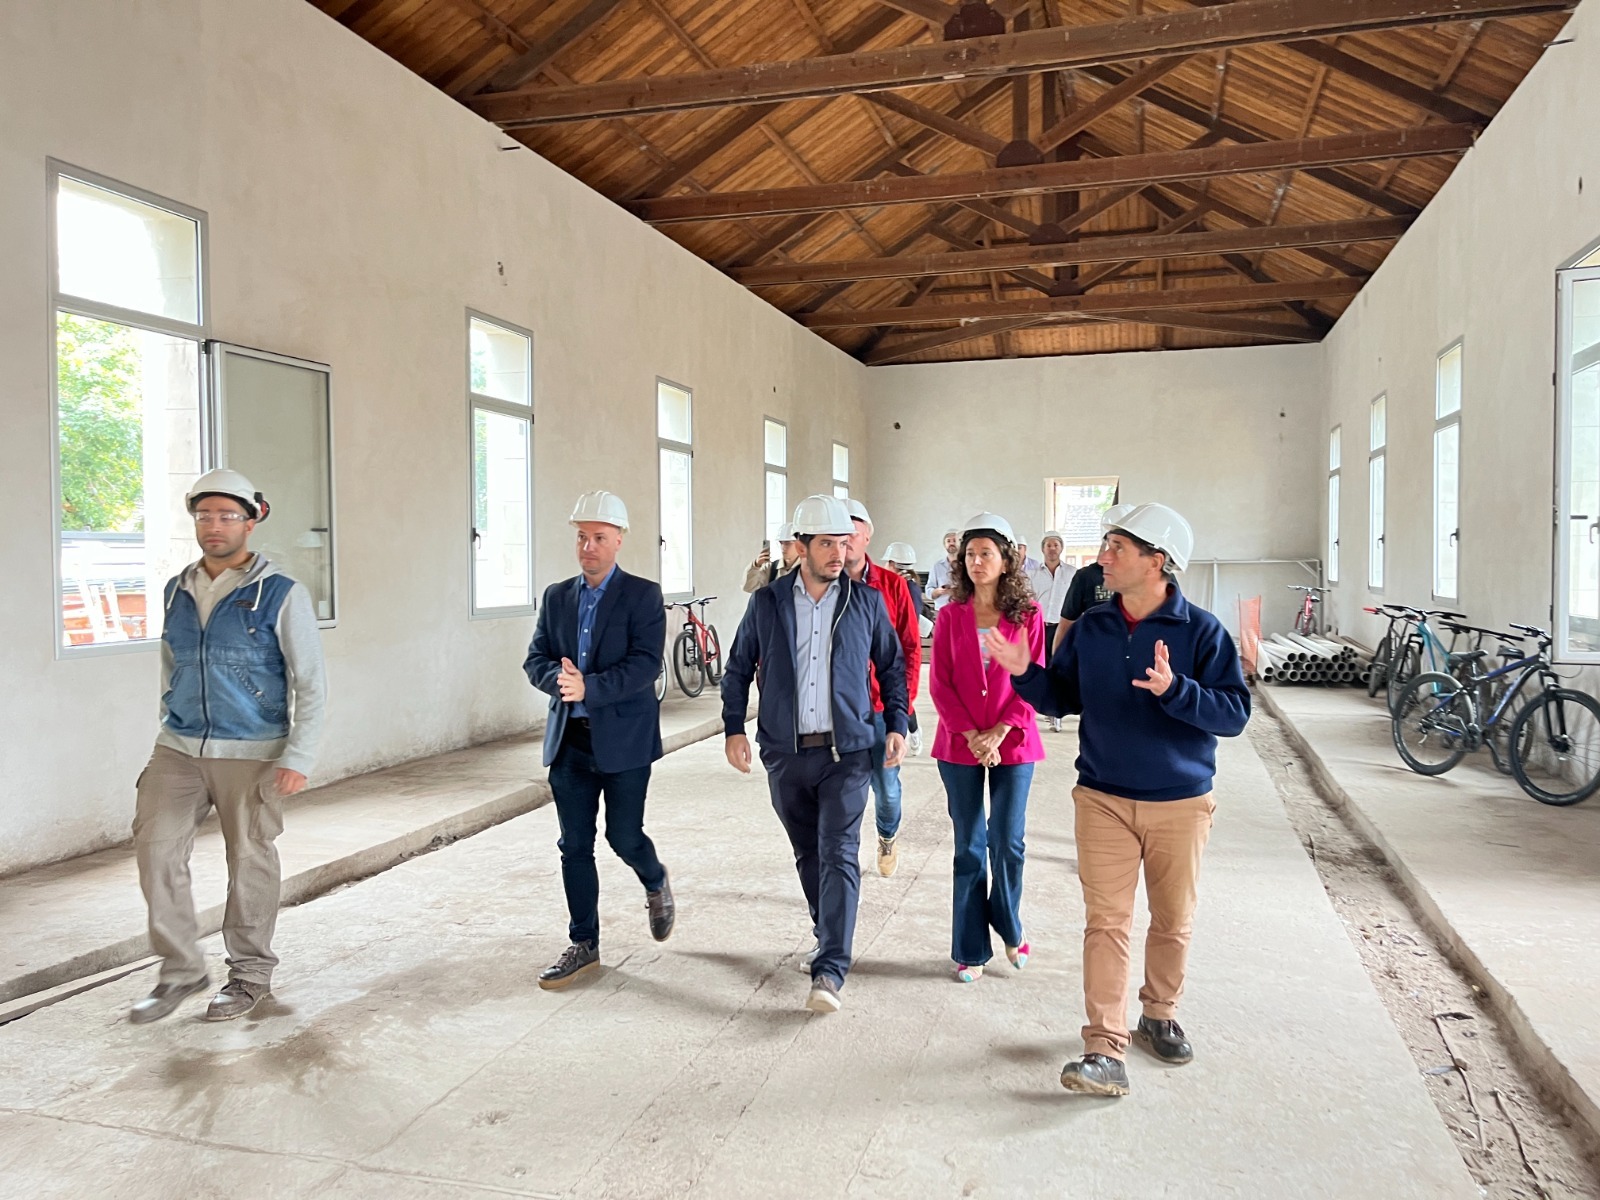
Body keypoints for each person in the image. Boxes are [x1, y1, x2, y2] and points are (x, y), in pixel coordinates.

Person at [987, 503, 1250, 1097]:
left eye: (1117, 548)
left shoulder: (1202, 632)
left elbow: (1234, 714)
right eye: (1104, 545)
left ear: (1158, 562)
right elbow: (1061, 698)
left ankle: (1158, 1014)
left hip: (1180, 801)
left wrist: (1176, 690)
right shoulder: (1094, 628)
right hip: (1102, 795)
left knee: (1173, 920)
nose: (1102, 557)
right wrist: (1026, 672)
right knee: (1106, 923)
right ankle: (1105, 1047)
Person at [129, 469, 327, 1024]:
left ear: (251, 520)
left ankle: (249, 976)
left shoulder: (281, 593)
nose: (213, 526)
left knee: (249, 859)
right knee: (156, 847)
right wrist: (171, 718)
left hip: (254, 747)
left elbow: (310, 679)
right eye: (204, 515)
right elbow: (172, 664)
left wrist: (298, 755)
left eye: (226, 516)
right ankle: (182, 969)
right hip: (179, 746)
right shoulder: (177, 589)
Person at [721, 495, 908, 1014]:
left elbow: (891, 667)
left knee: (840, 853)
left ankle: (830, 969)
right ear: (801, 547)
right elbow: (737, 668)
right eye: (826, 543)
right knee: (808, 854)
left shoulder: (865, 602)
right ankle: (826, 932)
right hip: (785, 752)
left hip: (847, 751)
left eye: (843, 543)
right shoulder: (768, 604)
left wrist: (896, 723)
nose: (837, 553)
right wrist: (734, 728)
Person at [524, 491, 674, 990]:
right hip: (571, 743)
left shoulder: (643, 596)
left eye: (600, 538)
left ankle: (654, 879)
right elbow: (536, 659)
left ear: (619, 541)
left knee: (623, 837)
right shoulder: (556, 597)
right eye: (582, 537)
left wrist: (592, 686)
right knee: (574, 845)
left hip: (625, 742)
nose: (588, 546)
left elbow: (646, 664)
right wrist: (558, 681)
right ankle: (583, 943)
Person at [929, 513, 1045, 983]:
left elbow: (1033, 676)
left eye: (986, 554)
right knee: (969, 847)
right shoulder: (950, 616)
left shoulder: (1027, 617)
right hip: (959, 746)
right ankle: (970, 948)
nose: (977, 562)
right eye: (970, 554)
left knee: (1007, 843)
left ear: (1006, 561)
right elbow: (939, 683)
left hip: (1013, 742)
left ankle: (1011, 926)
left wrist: (999, 731)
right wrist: (972, 734)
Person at [842, 500, 921, 878]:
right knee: (841, 791)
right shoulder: (821, 585)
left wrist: (899, 714)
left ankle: (887, 836)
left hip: (879, 708)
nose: (845, 540)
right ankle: (842, 855)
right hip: (838, 711)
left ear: (868, 536)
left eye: (853, 532)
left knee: (886, 788)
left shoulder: (891, 586)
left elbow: (909, 647)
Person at [1052, 504, 1131, 656]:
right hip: (1097, 658)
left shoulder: (1155, 577)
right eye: (1112, 542)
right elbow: (1065, 626)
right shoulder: (1087, 576)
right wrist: (1056, 670)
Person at [883, 542, 927, 758]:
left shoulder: (905, 586)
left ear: (892, 563)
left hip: (902, 648)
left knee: (902, 698)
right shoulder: (908, 584)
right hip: (897, 646)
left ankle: (915, 732)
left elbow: (910, 620)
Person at [1029, 532, 1077, 732]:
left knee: (1060, 667)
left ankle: (1057, 712)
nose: (1052, 548)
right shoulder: (1033, 574)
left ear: (1061, 548)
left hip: (1063, 626)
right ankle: (1046, 707)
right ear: (1042, 549)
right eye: (1048, 545)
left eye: (1056, 544)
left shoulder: (1072, 573)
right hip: (1041, 626)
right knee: (1043, 666)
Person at [743, 525, 802, 594]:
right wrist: (756, 565)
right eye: (781, 542)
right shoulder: (771, 569)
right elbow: (749, 588)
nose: (783, 547)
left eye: (787, 543)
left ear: (799, 544)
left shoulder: (808, 569)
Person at [927, 528, 961, 611]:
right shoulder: (937, 566)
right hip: (941, 610)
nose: (951, 543)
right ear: (944, 544)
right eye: (948, 541)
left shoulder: (967, 564)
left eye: (954, 540)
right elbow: (929, 590)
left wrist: (957, 591)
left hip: (962, 610)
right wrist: (938, 591)